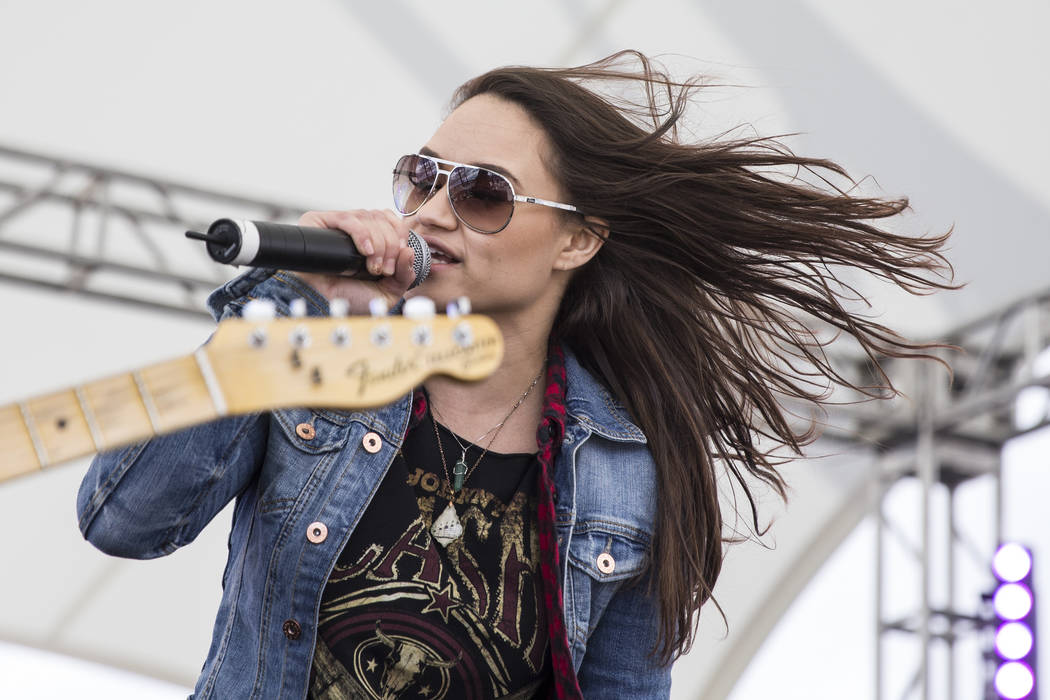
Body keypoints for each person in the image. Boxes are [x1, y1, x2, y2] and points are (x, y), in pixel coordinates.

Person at [76, 51, 953, 699]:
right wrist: (286, 300)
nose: (432, 213)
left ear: (577, 238)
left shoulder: (632, 471)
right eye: (420, 180)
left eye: (483, 192)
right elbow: (122, 518)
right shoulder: (312, 361)